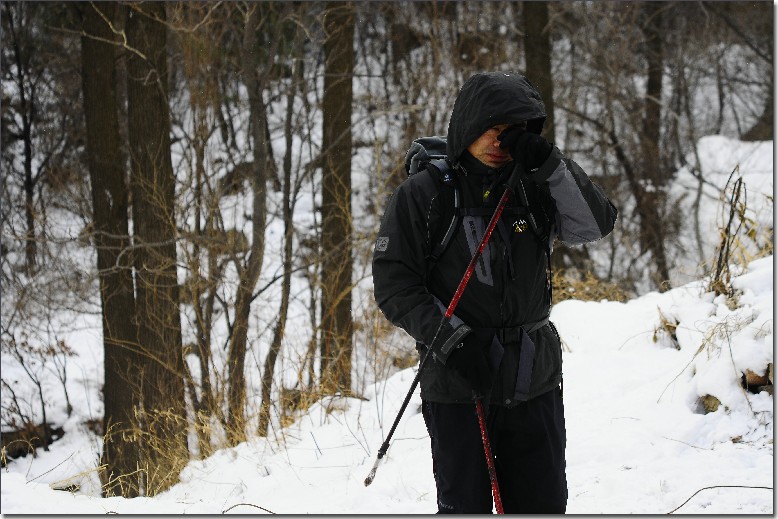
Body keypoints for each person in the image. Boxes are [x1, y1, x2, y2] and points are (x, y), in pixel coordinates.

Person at [372, 71, 618, 514]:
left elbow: (595, 224)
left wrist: (550, 165)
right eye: (492, 128)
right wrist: (452, 341)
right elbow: (395, 285)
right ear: (468, 125)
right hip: (458, 380)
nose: (500, 141)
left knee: (542, 505)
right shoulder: (423, 195)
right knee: (466, 506)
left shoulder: (535, 186)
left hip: (533, 378)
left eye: (513, 131)